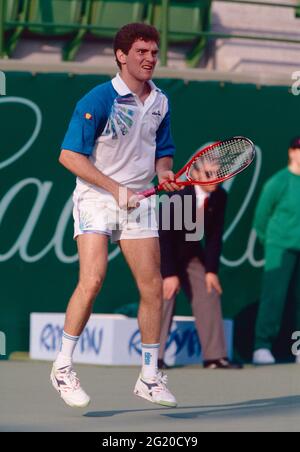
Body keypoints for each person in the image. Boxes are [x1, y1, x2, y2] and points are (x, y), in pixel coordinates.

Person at [50, 23, 180, 408]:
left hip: (139, 201)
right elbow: (69, 155)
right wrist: (114, 189)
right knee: (92, 280)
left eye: (154, 52)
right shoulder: (97, 99)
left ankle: (149, 375)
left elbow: (163, 151)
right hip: (96, 197)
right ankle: (62, 367)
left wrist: (164, 174)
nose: (149, 59)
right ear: (121, 56)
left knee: (153, 287)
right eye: (141, 52)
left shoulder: (161, 101)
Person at [158, 162, 242, 369]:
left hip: (191, 253)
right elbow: (164, 236)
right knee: (165, 295)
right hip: (162, 252)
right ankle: (155, 358)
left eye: (219, 174)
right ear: (194, 174)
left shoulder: (220, 196)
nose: (215, 179)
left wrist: (211, 271)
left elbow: (214, 237)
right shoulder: (179, 196)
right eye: (208, 174)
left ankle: (214, 357)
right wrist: (169, 274)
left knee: (210, 290)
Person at [253, 137, 300, 365]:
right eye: (299, 149)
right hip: (279, 248)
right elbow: (261, 218)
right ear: (291, 152)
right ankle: (262, 346)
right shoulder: (277, 182)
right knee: (274, 297)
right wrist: (271, 242)